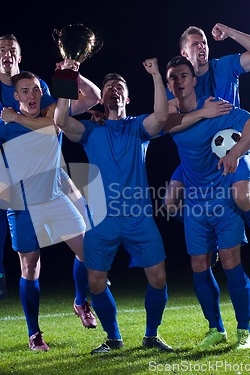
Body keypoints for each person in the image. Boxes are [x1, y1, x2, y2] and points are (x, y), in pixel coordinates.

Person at [0, 34, 100, 300]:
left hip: (44, 163)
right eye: (2, 49)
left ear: (19, 57)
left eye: (12, 49)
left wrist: (71, 75)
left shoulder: (34, 85)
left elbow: (60, 117)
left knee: (85, 213)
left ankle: (92, 280)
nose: (7, 53)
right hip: (6, 160)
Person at [54, 58, 173, 354]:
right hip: (101, 220)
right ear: (103, 97)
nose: (113, 90)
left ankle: (151, 336)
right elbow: (61, 120)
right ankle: (112, 338)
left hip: (138, 218)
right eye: (108, 87)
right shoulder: (91, 131)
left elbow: (161, 115)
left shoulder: (138, 128)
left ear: (127, 98)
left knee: (158, 278)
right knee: (95, 282)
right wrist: (67, 76)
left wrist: (156, 75)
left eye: (119, 87)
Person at [0, 71, 98, 351]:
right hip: (23, 207)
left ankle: (80, 302)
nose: (31, 95)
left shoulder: (51, 113)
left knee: (89, 252)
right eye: (25, 91)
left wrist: (71, 71)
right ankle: (34, 334)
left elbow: (55, 127)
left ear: (42, 93)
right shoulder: (2, 126)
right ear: (15, 96)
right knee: (30, 268)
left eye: (35, 90)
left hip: (56, 199)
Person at [165, 55, 250, 350]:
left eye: (183, 75)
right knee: (198, 264)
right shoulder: (171, 115)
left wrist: (235, 154)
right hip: (195, 201)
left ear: (194, 79)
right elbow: (163, 127)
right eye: (173, 78)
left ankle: (244, 330)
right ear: (168, 85)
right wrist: (200, 115)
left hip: (222, 193)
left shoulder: (217, 106)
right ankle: (215, 329)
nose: (178, 81)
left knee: (231, 260)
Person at [165, 24, 250, 282]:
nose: (201, 46)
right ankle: (210, 236)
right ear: (183, 51)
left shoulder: (224, 66)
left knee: (243, 198)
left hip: (233, 146)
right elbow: (166, 121)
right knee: (170, 203)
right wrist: (201, 114)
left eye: (204, 41)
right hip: (201, 158)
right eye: (195, 43)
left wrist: (231, 33)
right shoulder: (182, 83)